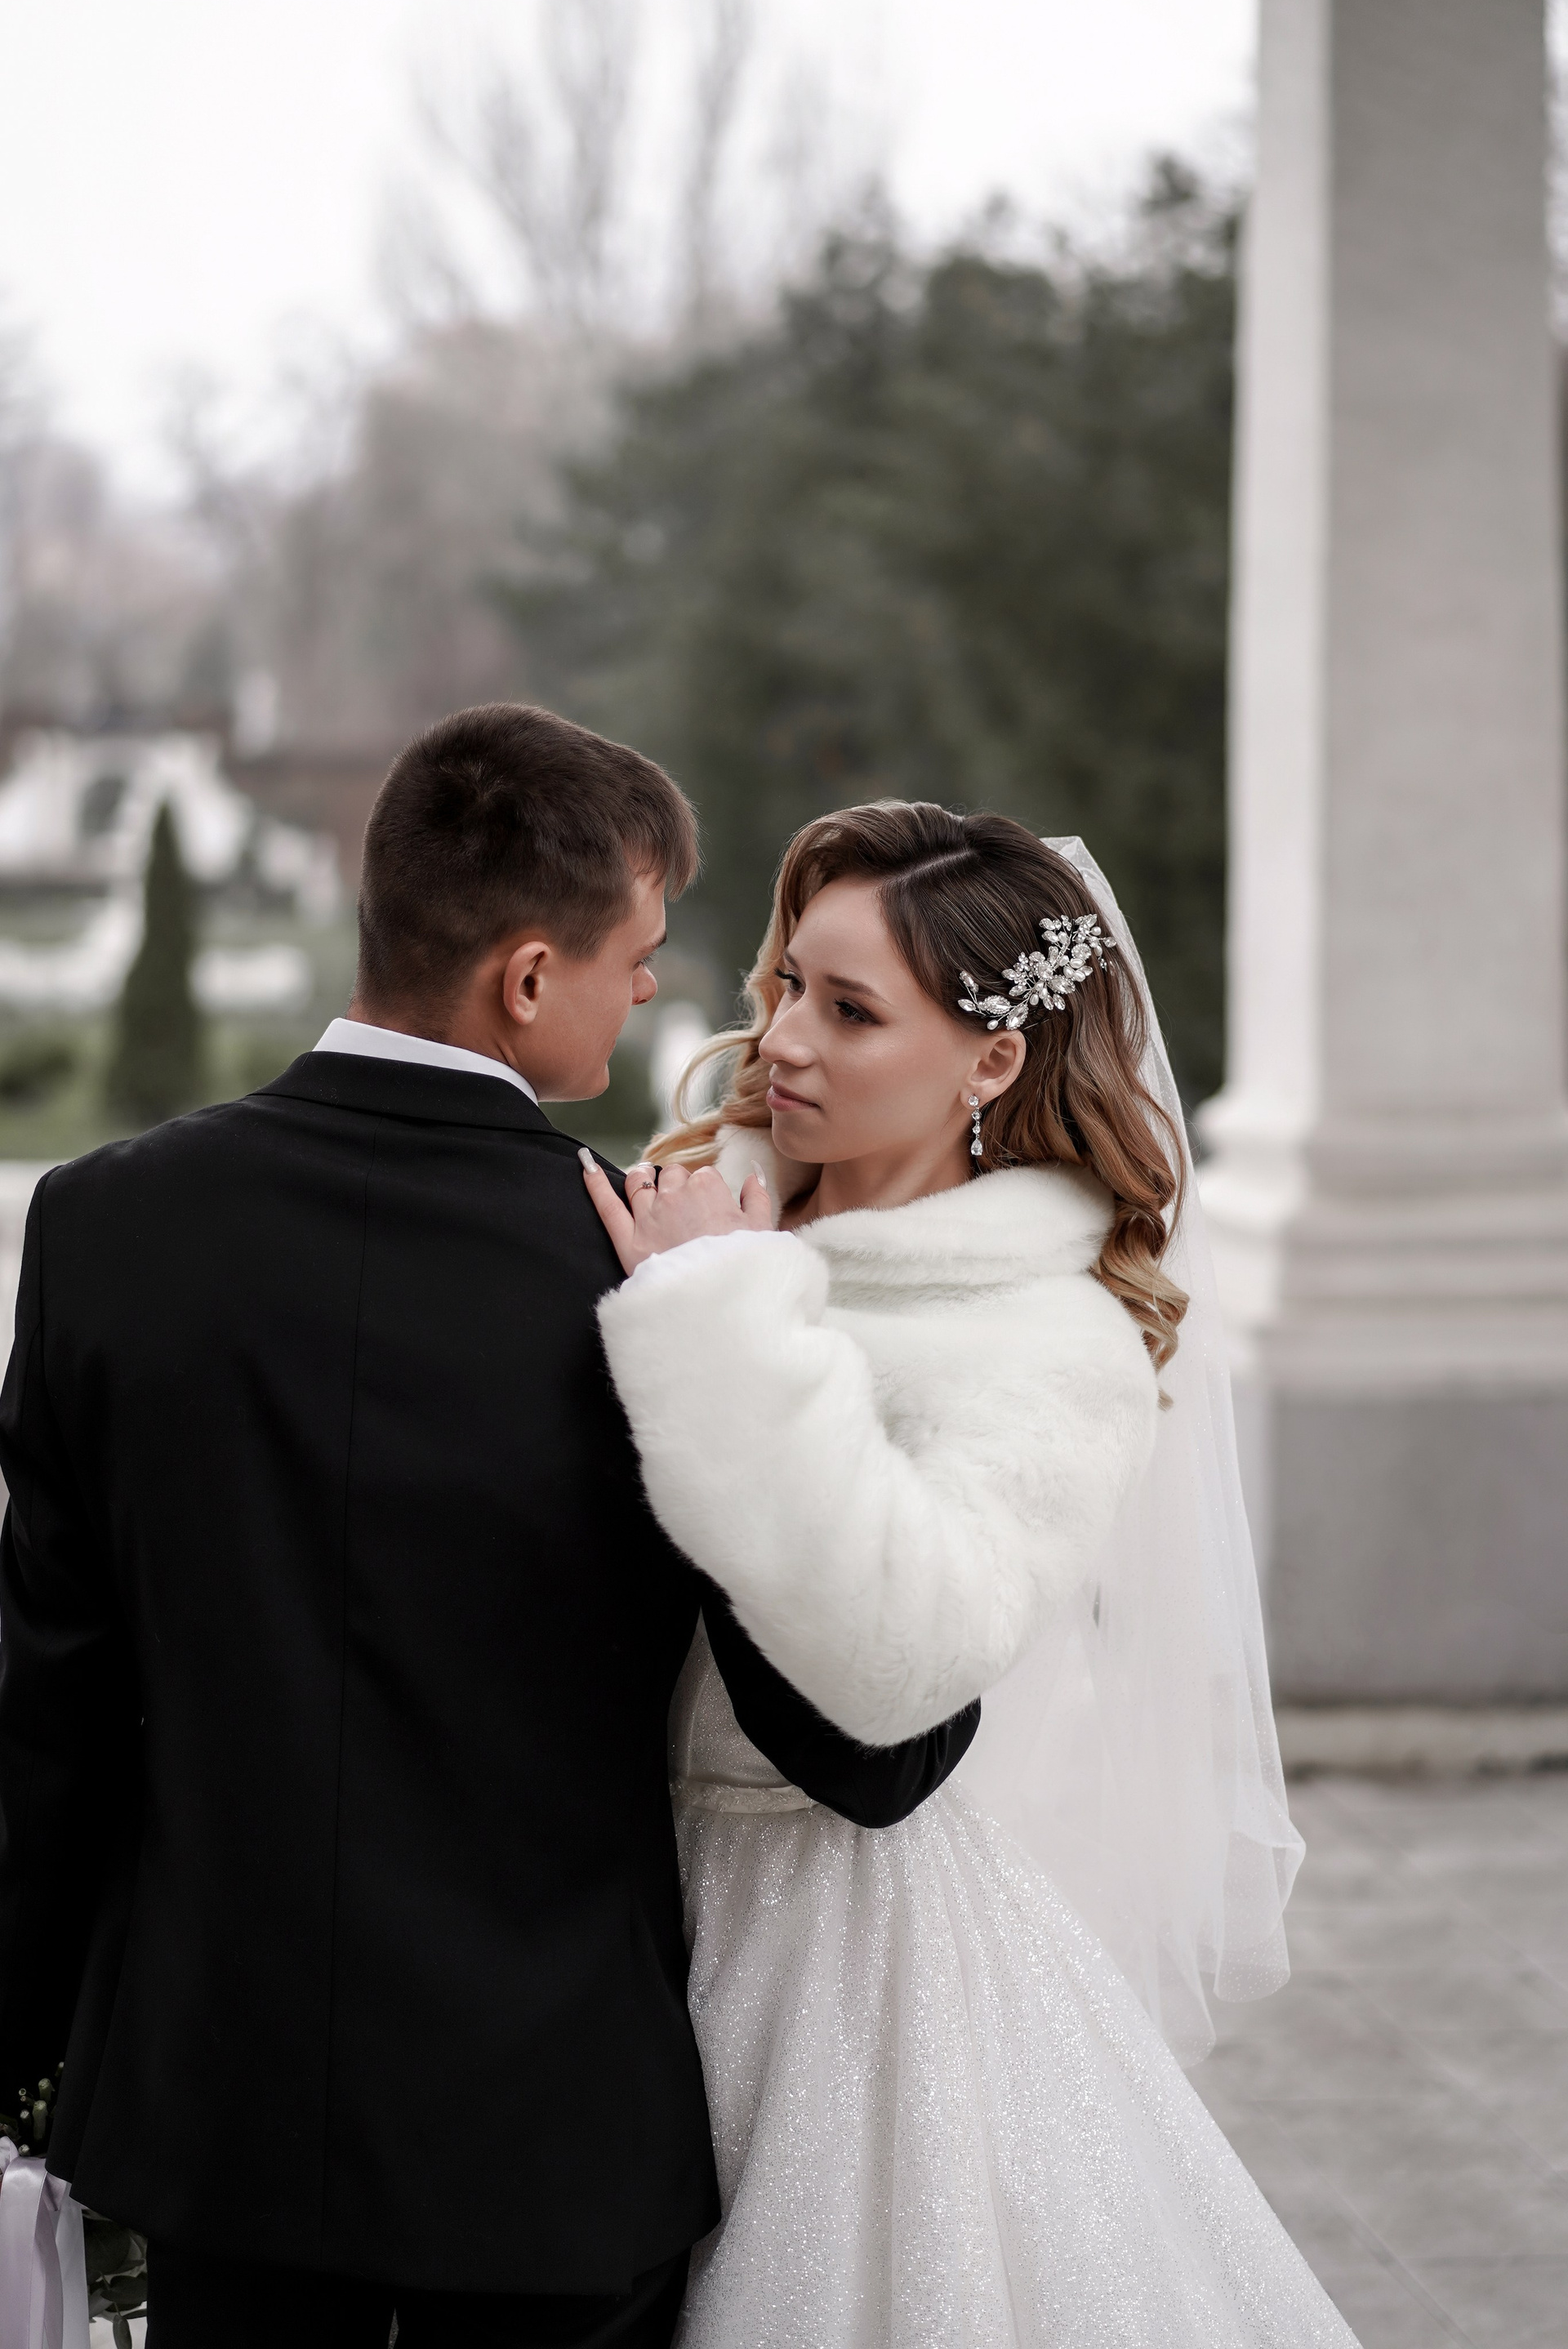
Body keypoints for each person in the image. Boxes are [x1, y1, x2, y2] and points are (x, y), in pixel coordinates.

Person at [0, 710, 975, 2349]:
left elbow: (50, 1710)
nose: (650, 993)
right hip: (554, 2134)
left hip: (215, 2112)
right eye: (637, 956)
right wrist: (742, 1334)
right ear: (527, 978)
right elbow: (871, 1758)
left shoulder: (104, 1225)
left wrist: (20, 2039)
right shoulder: (661, 1286)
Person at [582, 802, 1360, 2347]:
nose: (781, 1040)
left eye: (850, 1010)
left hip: (828, 1949)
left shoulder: (1052, 1342)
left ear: (991, 1061)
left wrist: (719, 1319)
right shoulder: (681, 1212)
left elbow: (894, 1660)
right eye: (786, 984)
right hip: (579, 1905)